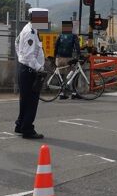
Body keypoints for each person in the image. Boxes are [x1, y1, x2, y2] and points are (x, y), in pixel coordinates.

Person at [15, 8, 46, 139]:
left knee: (25, 100)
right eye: (43, 18)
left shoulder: (30, 29)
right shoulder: (30, 32)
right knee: (31, 102)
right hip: (30, 71)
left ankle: (20, 125)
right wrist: (39, 68)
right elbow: (29, 55)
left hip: (26, 69)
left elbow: (16, 42)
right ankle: (27, 129)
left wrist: (20, 57)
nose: (45, 21)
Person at [53, 21, 80, 100]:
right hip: (68, 59)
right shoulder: (73, 36)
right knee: (74, 73)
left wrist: (55, 57)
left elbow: (56, 46)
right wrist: (78, 55)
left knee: (61, 76)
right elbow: (77, 46)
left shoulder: (60, 35)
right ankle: (74, 93)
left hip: (59, 58)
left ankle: (62, 93)